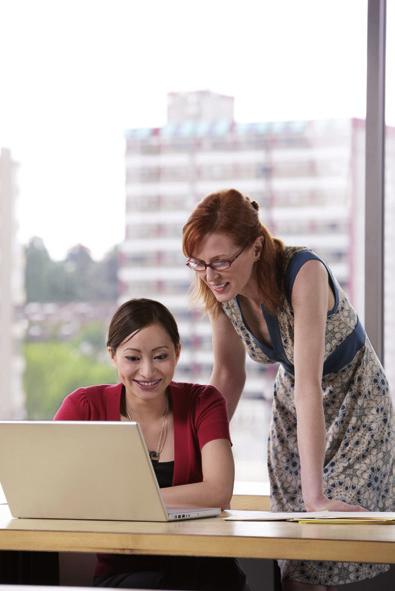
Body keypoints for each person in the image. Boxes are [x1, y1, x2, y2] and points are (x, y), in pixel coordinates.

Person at [182, 188, 394, 591]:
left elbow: (310, 382)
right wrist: (192, 461)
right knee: (293, 556)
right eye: (199, 263)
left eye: (221, 261)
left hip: (356, 401)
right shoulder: (220, 289)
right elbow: (227, 376)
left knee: (330, 538)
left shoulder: (304, 272)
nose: (210, 275)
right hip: (293, 405)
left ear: (256, 247)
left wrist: (315, 498)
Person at [54, 298, 249, 591]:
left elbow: (219, 491)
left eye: (160, 356)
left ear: (177, 352)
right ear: (112, 355)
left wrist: (119, 502)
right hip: (125, 575)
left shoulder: (204, 402)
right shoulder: (84, 406)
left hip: (206, 571)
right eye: (133, 358)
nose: (147, 372)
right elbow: (50, 487)